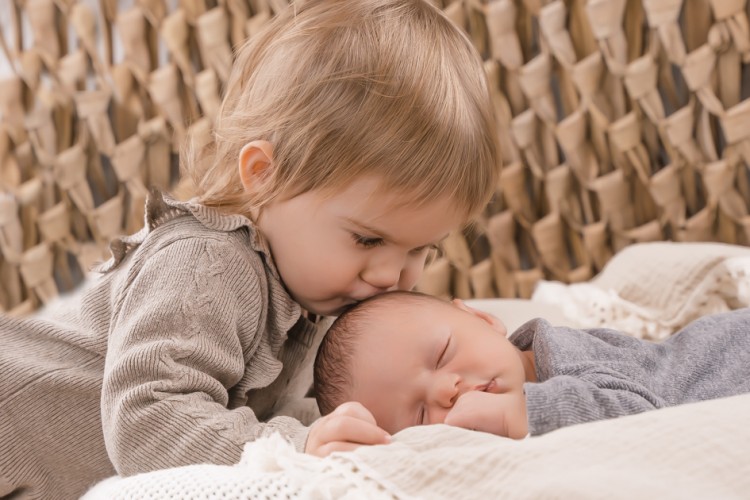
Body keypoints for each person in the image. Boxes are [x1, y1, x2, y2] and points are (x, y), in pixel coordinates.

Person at [0, 0, 500, 497]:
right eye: (368, 239)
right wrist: (295, 448)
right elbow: (149, 415)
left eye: (422, 250)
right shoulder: (206, 266)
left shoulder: (320, 288)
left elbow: (268, 409)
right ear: (264, 176)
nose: (393, 276)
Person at [314, 291, 750, 438]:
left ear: (481, 319)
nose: (447, 390)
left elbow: (645, 417)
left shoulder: (559, 355)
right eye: (423, 414)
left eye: (443, 354)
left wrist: (523, 413)